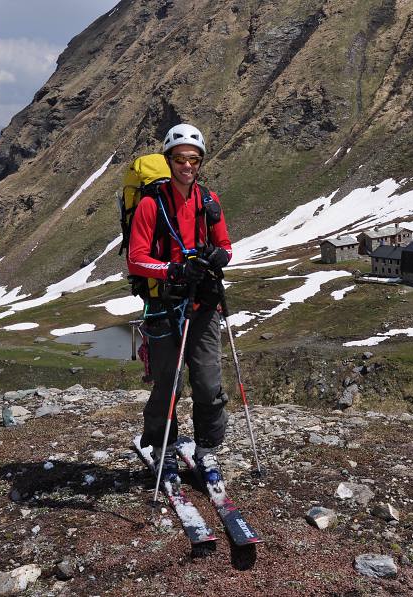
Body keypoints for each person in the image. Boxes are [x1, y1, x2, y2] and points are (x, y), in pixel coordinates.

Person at [126, 123, 232, 483]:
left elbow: (226, 246)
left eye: (194, 159)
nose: (188, 166)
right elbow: (136, 259)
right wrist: (173, 271)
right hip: (163, 308)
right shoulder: (149, 206)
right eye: (180, 159)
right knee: (168, 384)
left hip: (203, 306)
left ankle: (206, 451)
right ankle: (163, 449)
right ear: (169, 161)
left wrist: (218, 259)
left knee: (206, 383)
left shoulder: (209, 201)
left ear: (200, 163)